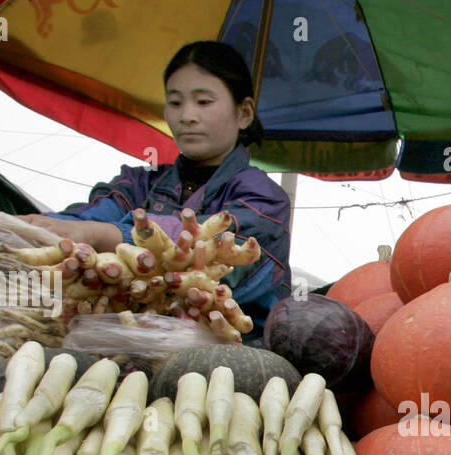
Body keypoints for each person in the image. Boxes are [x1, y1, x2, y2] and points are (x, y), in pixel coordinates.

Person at [21, 42, 292, 335]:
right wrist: (40, 230)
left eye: (203, 102)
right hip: (128, 344)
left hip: (240, 354)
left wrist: (102, 235)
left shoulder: (266, 200)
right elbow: (88, 221)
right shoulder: (138, 183)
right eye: (175, 103)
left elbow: (218, 255)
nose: (186, 116)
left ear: (244, 113)